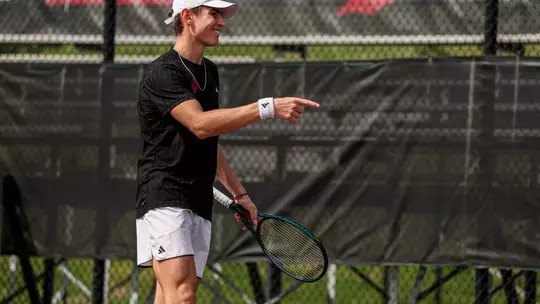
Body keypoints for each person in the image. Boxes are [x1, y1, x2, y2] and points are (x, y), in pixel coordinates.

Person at [135, 0, 320, 303]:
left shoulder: (210, 72)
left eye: (222, 15)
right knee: (182, 295)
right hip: (165, 196)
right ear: (188, 17)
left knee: (172, 295)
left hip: (198, 198)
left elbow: (209, 139)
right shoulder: (162, 73)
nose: (222, 22)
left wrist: (239, 193)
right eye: (214, 14)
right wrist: (268, 107)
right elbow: (200, 125)